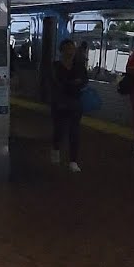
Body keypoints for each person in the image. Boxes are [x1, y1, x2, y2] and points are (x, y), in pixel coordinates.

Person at [50, 39, 87, 172]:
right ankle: (56, 149)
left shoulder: (79, 65)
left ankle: (73, 161)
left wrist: (72, 83)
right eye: (67, 49)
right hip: (59, 101)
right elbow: (57, 82)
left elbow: (84, 80)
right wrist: (73, 83)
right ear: (62, 51)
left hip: (75, 101)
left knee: (74, 131)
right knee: (59, 129)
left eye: (72, 49)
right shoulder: (56, 66)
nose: (70, 52)